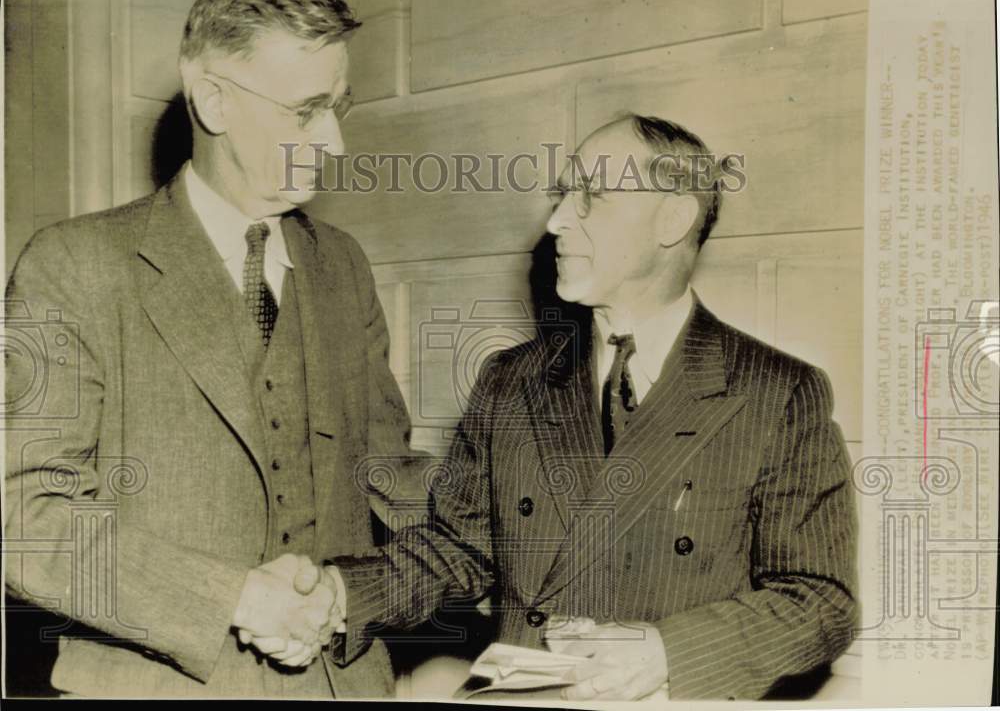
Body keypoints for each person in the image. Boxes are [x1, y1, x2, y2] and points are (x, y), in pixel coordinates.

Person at [326, 115, 858, 700]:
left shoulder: (777, 392)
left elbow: (819, 601)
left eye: (591, 198)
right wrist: (337, 596)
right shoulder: (511, 380)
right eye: (562, 196)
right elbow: (459, 550)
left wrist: (666, 652)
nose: (555, 222)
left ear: (673, 218)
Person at [4, 0, 418, 698]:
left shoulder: (343, 265)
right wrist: (232, 596)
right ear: (214, 101)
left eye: (337, 107)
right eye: (305, 111)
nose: (334, 143)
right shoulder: (75, 263)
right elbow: (25, 516)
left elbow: (388, 476)